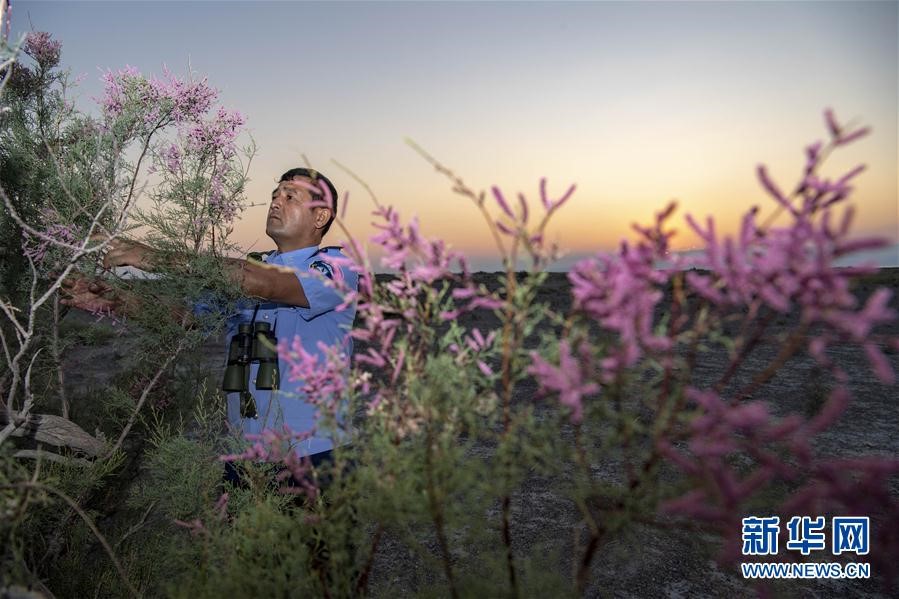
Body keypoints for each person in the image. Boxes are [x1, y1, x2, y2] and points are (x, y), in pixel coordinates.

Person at [61, 168, 358, 463]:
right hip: (246, 456)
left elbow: (263, 283)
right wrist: (113, 300)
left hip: (315, 455)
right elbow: (185, 315)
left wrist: (156, 258)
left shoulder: (336, 267)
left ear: (320, 217)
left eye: (290, 196)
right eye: (274, 195)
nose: (276, 202)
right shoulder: (249, 270)